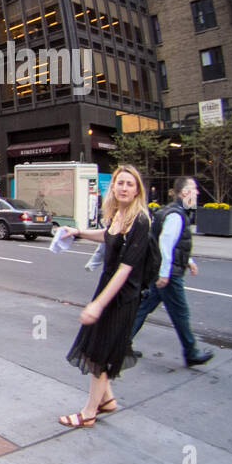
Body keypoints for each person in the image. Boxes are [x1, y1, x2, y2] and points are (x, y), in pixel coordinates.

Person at [55, 164, 152, 428]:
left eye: (129, 184)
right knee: (94, 346)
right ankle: (107, 400)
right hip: (107, 290)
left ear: (137, 190)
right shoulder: (117, 214)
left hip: (122, 298)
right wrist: (79, 232)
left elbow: (125, 269)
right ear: (113, 187)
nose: (123, 188)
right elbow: (107, 237)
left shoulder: (140, 220)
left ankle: (88, 413)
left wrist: (98, 305)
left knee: (99, 354)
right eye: (120, 183)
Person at [129, 177, 213, 367]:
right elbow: (166, 244)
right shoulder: (176, 214)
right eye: (194, 189)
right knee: (180, 313)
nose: (197, 193)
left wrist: (188, 261)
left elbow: (173, 243)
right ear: (184, 193)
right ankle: (191, 352)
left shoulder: (173, 211)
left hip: (163, 272)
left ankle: (123, 343)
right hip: (169, 274)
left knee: (143, 308)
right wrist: (165, 274)